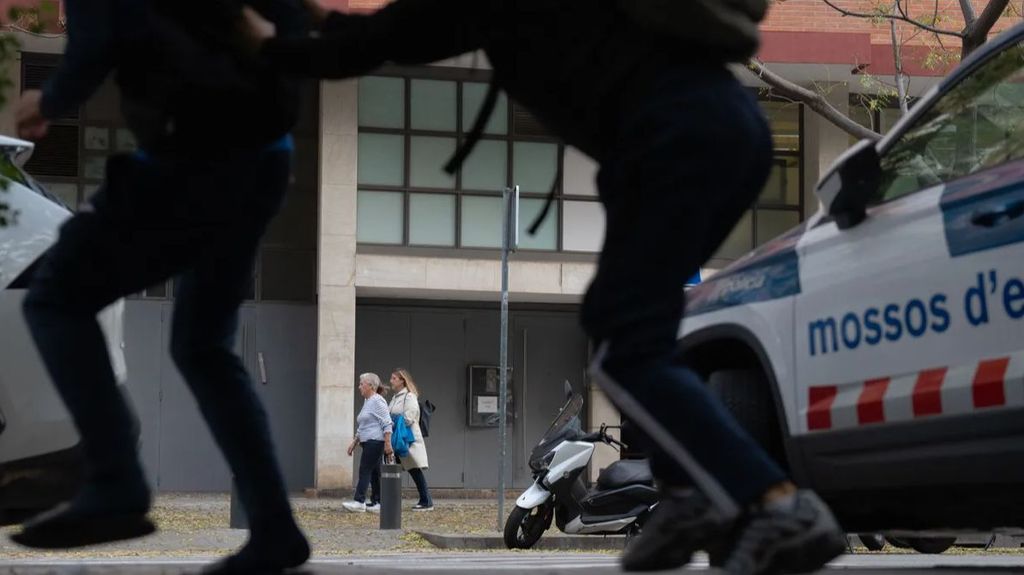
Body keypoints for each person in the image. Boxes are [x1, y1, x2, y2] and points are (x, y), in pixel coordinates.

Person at [242, 1, 847, 574]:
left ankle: (775, 502)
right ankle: (692, 492)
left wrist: (248, 39)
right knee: (627, 341)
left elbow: (371, 42)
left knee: (627, 340)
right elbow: (370, 31)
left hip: (685, 139)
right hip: (685, 142)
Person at [12, 1, 312, 573]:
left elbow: (97, 42)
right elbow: (290, 23)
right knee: (203, 346)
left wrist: (45, 101)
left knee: (58, 296)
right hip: (264, 155)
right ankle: (274, 527)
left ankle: (116, 478)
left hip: (193, 156)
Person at [345, 373, 394, 513]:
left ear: (371, 386)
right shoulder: (368, 401)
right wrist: (354, 443)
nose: (359, 386)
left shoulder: (378, 401)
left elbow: (387, 423)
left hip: (375, 441)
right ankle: (378, 502)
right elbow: (363, 426)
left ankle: (359, 501)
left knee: (365, 469)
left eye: (362, 384)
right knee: (374, 472)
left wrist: (388, 444)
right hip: (368, 441)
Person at [388, 369, 433, 511]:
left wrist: (392, 422)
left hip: (406, 438)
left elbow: (409, 417)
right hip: (397, 437)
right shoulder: (395, 397)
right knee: (392, 468)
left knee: (414, 469)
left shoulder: (409, 396)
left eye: (394, 378)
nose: (391, 380)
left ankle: (426, 501)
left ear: (402, 380)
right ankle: (384, 498)